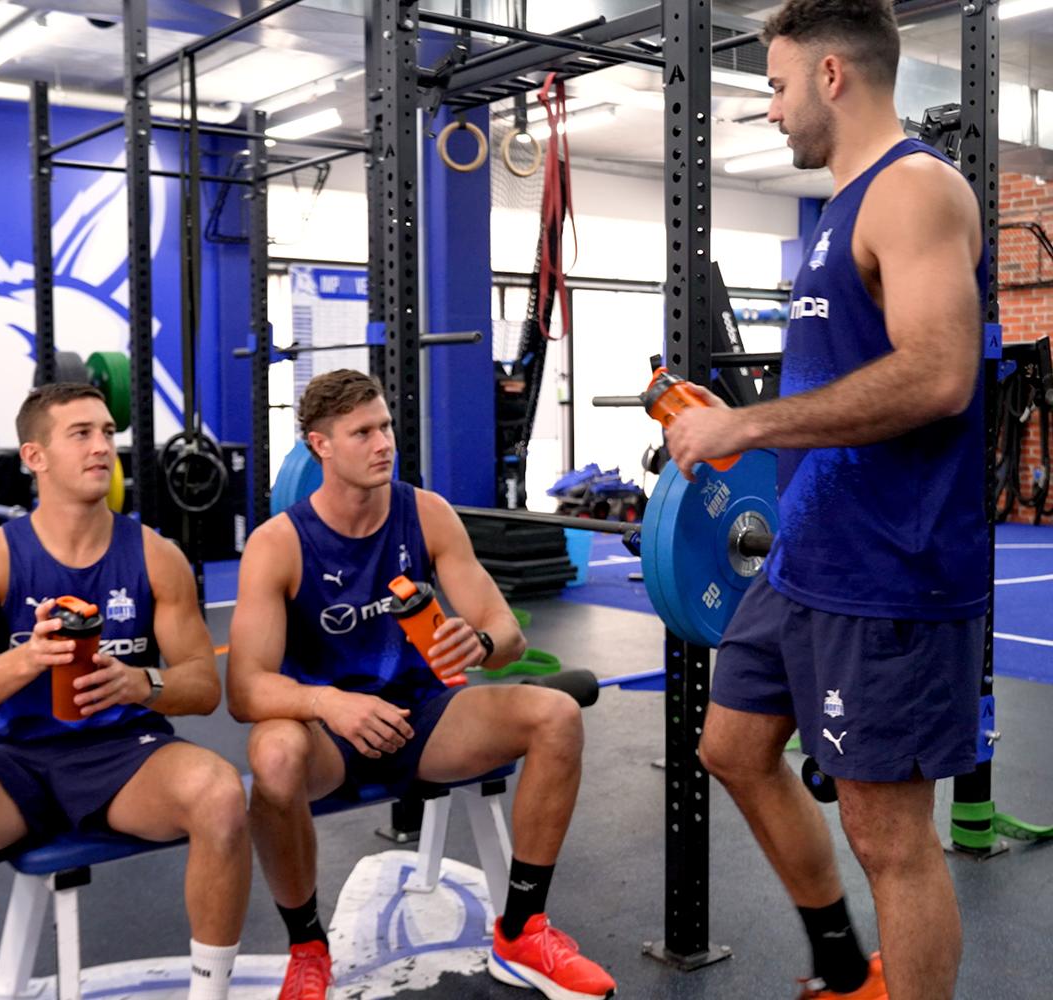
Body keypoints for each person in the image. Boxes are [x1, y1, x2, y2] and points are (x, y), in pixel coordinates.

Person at [664, 2, 989, 999]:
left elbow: (939, 376)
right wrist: (746, 414)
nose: (771, 109)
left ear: (833, 77)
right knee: (732, 746)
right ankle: (848, 968)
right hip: (805, 556)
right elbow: (848, 377)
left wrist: (749, 431)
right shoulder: (839, 212)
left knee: (888, 832)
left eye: (775, 83)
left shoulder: (915, 190)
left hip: (889, 571)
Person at [227, 369, 616, 1000]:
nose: (384, 443)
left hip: (424, 719)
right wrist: (330, 703)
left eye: (385, 426)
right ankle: (307, 948)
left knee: (556, 715)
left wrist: (483, 644)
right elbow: (245, 691)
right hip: (328, 736)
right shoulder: (279, 544)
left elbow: (505, 635)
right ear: (320, 446)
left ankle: (521, 930)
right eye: (362, 433)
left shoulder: (426, 514)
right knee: (272, 753)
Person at [0, 383, 252, 1000]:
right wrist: (26, 661)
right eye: (81, 434)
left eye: (106, 432)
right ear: (34, 457)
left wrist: (140, 683)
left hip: (128, 758)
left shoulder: (155, 556)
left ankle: (211, 995)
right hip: (20, 764)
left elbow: (203, 685)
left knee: (221, 796)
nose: (102, 447)